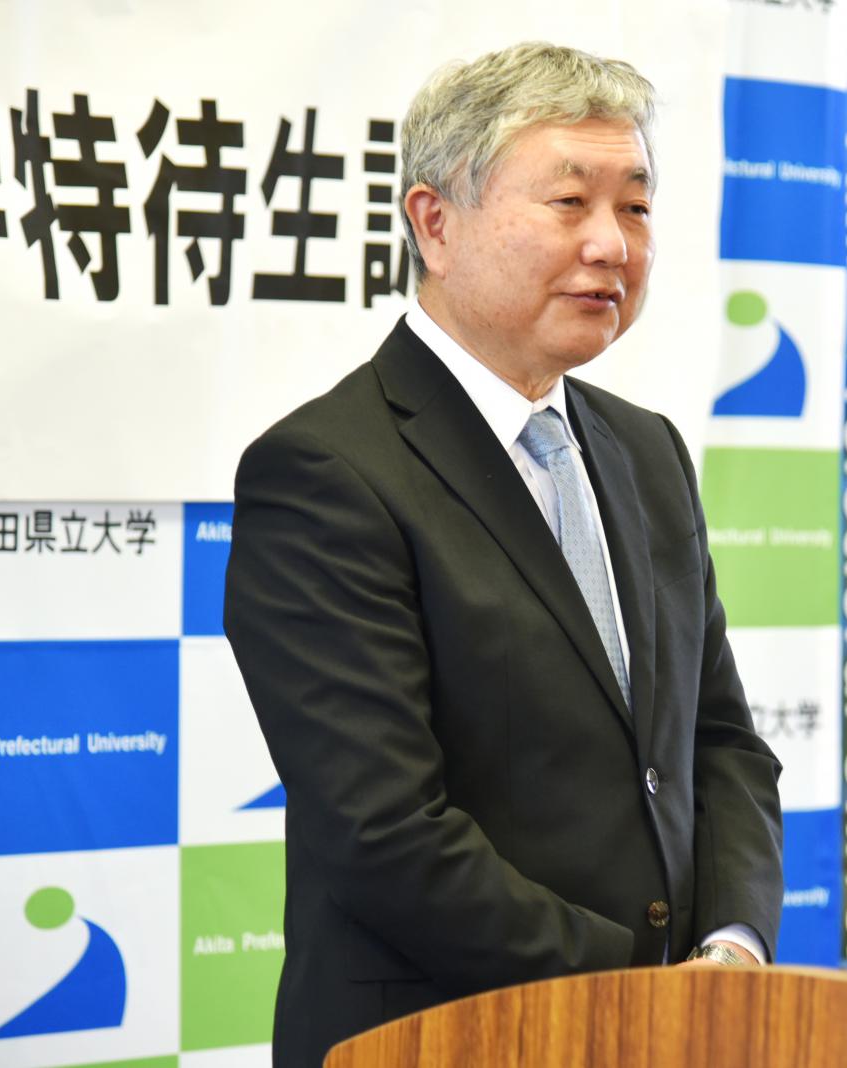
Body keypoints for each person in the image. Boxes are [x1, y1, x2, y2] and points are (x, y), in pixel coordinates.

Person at [224, 41, 783, 1066]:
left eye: (636, 207)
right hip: (442, 1038)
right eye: (570, 203)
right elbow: (386, 833)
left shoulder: (649, 450)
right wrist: (637, 990)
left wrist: (731, 949)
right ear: (435, 223)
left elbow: (719, 742)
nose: (612, 245)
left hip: (671, 1029)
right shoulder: (325, 471)